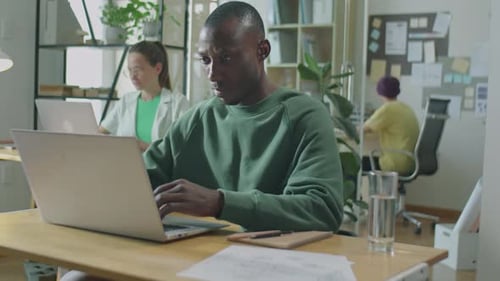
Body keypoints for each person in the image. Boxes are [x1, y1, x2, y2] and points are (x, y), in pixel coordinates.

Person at [61, 2, 344, 280]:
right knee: (77, 277)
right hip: (191, 260)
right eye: (205, 60)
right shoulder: (200, 117)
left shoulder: (304, 116)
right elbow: (144, 177)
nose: (213, 74)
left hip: (268, 267)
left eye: (226, 58)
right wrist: (89, 183)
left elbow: (322, 209)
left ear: (262, 51)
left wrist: (220, 202)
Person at [99, 41, 190, 151]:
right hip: (124, 166)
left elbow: (185, 148)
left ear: (158, 69)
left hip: (159, 168)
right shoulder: (126, 101)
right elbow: (100, 134)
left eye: (137, 70)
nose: (133, 76)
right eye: (130, 70)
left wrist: (145, 147)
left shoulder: (178, 103)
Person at [362, 76, 420, 175]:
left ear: (379, 92)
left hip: (394, 163)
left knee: (354, 164)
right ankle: (386, 189)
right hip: (410, 161)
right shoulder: (406, 108)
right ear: (398, 91)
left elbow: (362, 130)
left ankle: (370, 190)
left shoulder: (387, 109)